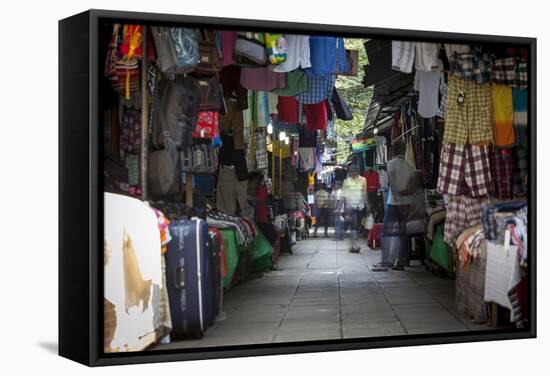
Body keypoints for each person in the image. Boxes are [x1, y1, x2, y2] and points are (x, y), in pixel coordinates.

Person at [373, 141, 415, 271]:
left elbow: (391, 182)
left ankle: (386, 261)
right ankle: (400, 263)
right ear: (403, 151)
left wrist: (398, 198)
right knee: (402, 234)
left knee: (386, 232)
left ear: (393, 151)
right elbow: (411, 186)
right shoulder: (409, 166)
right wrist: (405, 196)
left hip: (393, 203)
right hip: (406, 203)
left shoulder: (391, 164)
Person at [341, 165, 367, 253]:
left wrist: (368, 205)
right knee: (354, 225)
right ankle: (355, 245)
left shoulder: (363, 180)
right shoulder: (346, 181)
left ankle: (352, 246)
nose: (353, 173)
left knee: (356, 226)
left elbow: (364, 193)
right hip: (350, 207)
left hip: (361, 206)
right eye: (351, 171)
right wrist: (341, 208)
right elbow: (343, 196)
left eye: (355, 171)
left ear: (358, 171)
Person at [247, 172, 277, 245]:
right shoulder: (246, 191)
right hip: (251, 222)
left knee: (270, 231)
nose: (257, 185)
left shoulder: (258, 190)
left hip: (256, 220)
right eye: (256, 182)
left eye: (258, 183)